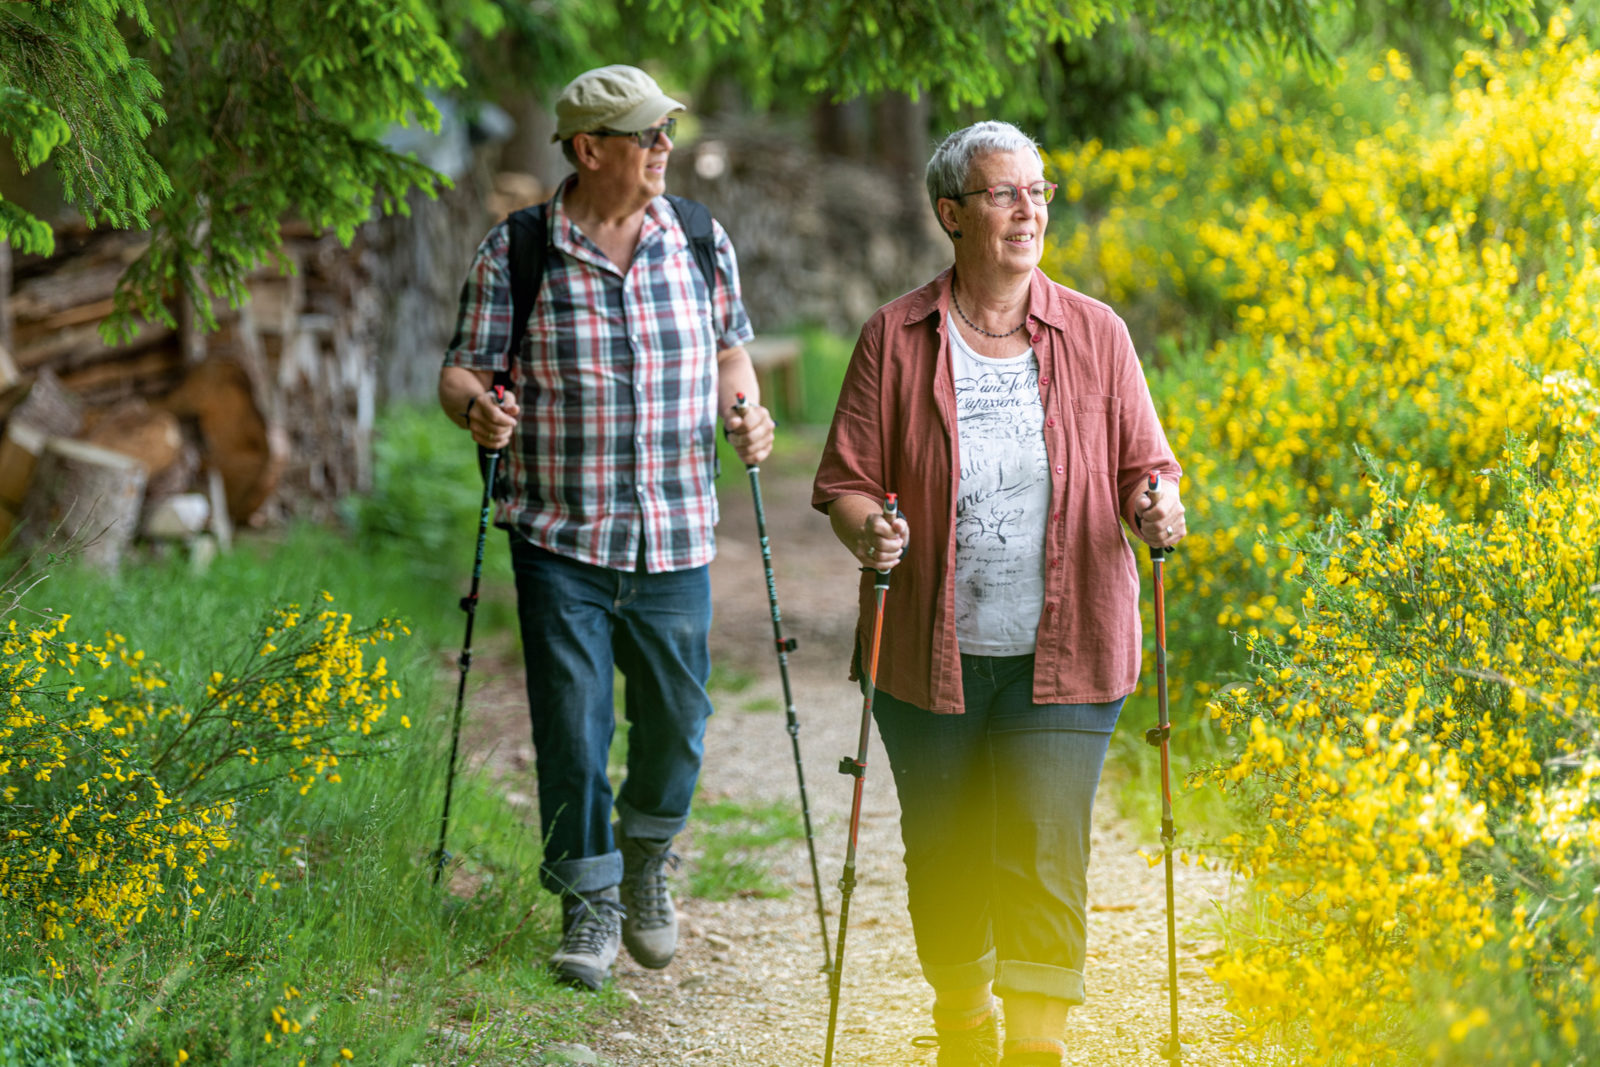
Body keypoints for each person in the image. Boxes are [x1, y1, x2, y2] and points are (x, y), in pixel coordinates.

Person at [811, 120, 1186, 1067]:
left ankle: (1033, 1049)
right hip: (925, 650)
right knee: (944, 860)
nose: (1029, 211)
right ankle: (964, 1019)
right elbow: (848, 480)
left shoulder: (1098, 333)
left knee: (1043, 848)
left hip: (1070, 649)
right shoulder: (894, 337)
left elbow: (1150, 467)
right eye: (1004, 193)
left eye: (1039, 192)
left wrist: (1157, 509)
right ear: (951, 213)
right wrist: (871, 530)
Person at [439, 64, 774, 991]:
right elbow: (463, 371)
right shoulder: (518, 250)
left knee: (680, 719)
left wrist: (746, 411)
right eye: (647, 135)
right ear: (590, 150)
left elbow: (731, 352)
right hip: (558, 535)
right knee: (574, 727)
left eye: (667, 132)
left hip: (674, 535)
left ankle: (645, 860)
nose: (666, 148)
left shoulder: (700, 240)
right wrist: (480, 412)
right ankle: (587, 899)